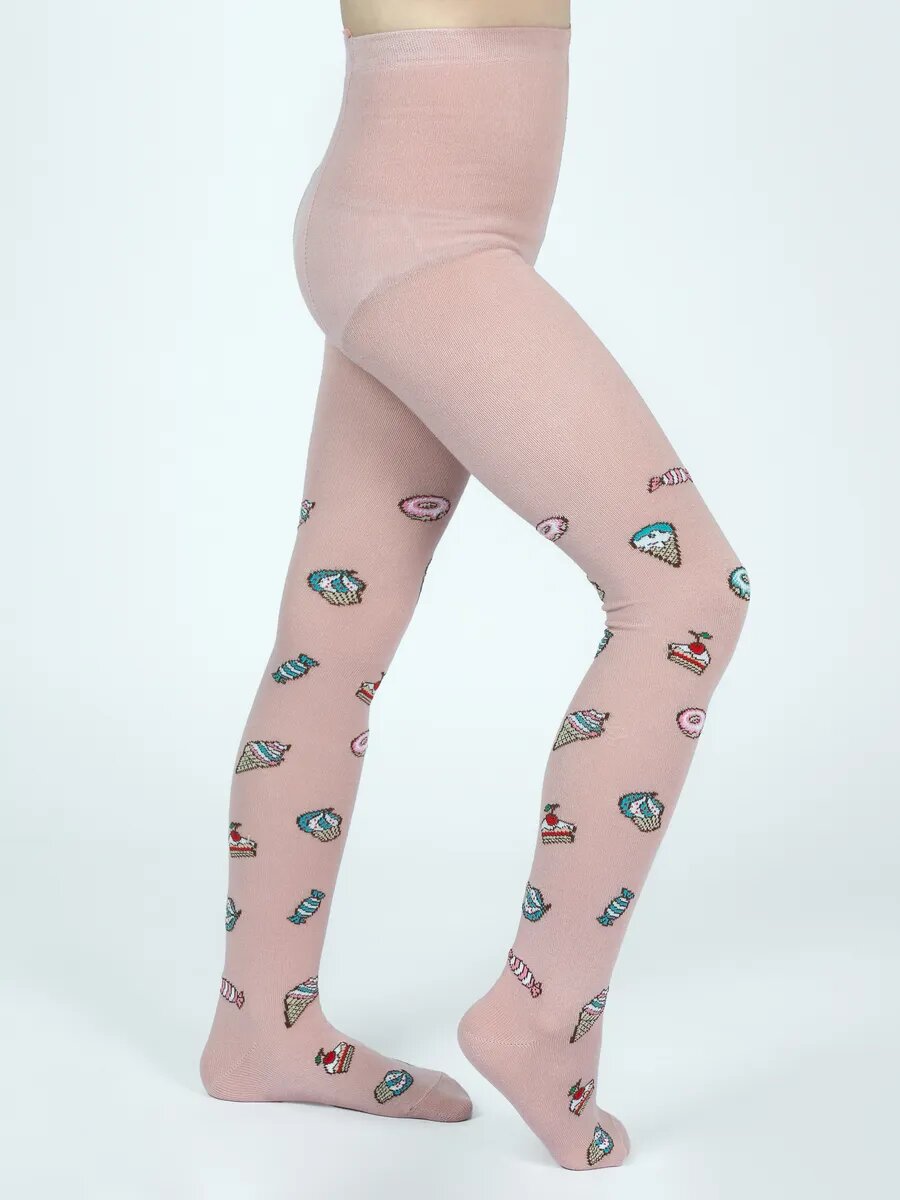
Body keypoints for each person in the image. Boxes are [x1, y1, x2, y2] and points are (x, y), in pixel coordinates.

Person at [200, 0, 750, 1171]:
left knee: (331, 640)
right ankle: (544, 1016)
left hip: (407, 226)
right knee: (688, 594)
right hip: (426, 241)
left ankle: (260, 1030)